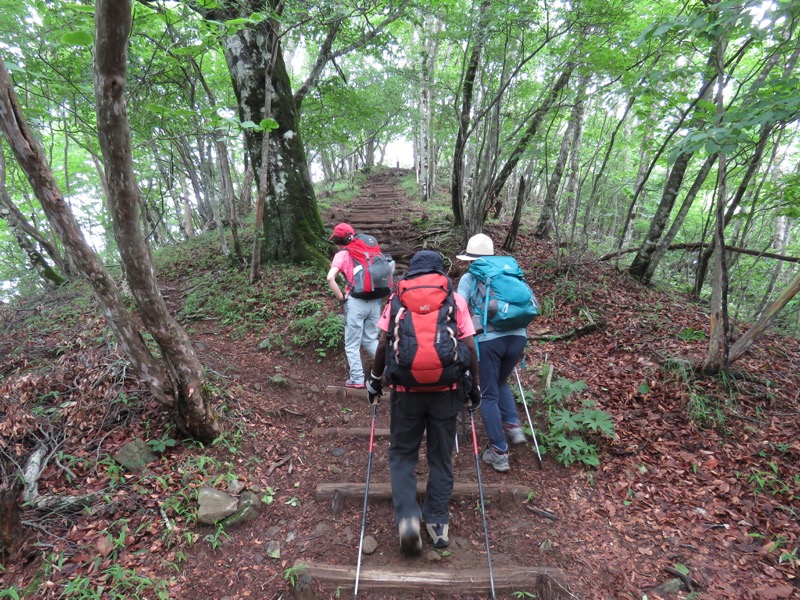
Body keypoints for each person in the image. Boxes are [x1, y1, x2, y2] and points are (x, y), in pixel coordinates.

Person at [366, 250, 481, 555]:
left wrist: (375, 381)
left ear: (411, 274)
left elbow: (382, 345)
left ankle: (407, 519)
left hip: (406, 392)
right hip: (448, 390)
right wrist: (475, 388)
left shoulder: (396, 300)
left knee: (403, 455)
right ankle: (438, 523)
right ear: (440, 272)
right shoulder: (454, 300)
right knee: (441, 457)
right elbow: (469, 345)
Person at [456, 233, 528, 473]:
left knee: (487, 394)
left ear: (470, 257)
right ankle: (513, 425)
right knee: (499, 381)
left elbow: (460, 310)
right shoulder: (510, 273)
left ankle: (499, 451)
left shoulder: (469, 277)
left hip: (489, 339)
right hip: (518, 337)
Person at [326, 222, 381, 388]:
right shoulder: (369, 251)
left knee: (352, 343)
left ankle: (357, 379)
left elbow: (330, 278)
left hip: (356, 301)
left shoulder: (343, 255)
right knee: (371, 339)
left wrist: (341, 298)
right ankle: (389, 370)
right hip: (375, 301)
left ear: (337, 240)